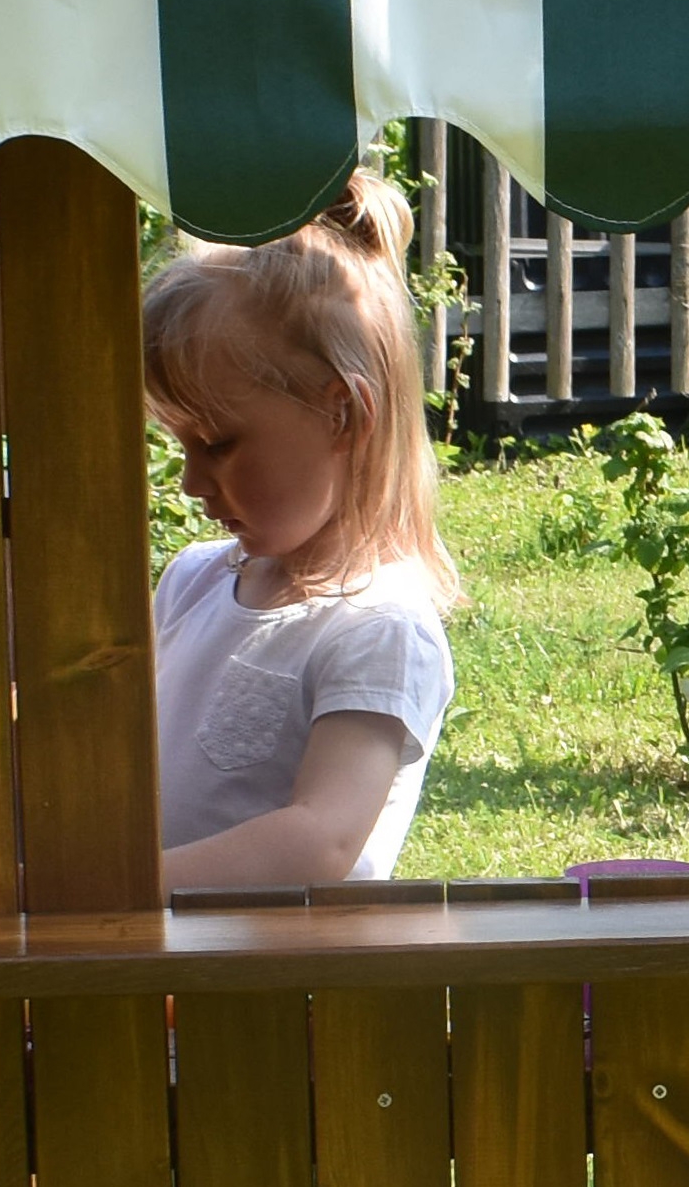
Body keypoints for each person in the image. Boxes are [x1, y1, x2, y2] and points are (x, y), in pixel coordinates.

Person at [144, 175, 458, 890]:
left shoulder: (378, 628)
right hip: (162, 977)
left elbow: (320, 840)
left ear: (342, 415)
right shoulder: (192, 582)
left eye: (218, 444)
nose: (191, 482)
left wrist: (122, 888)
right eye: (181, 447)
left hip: (281, 996)